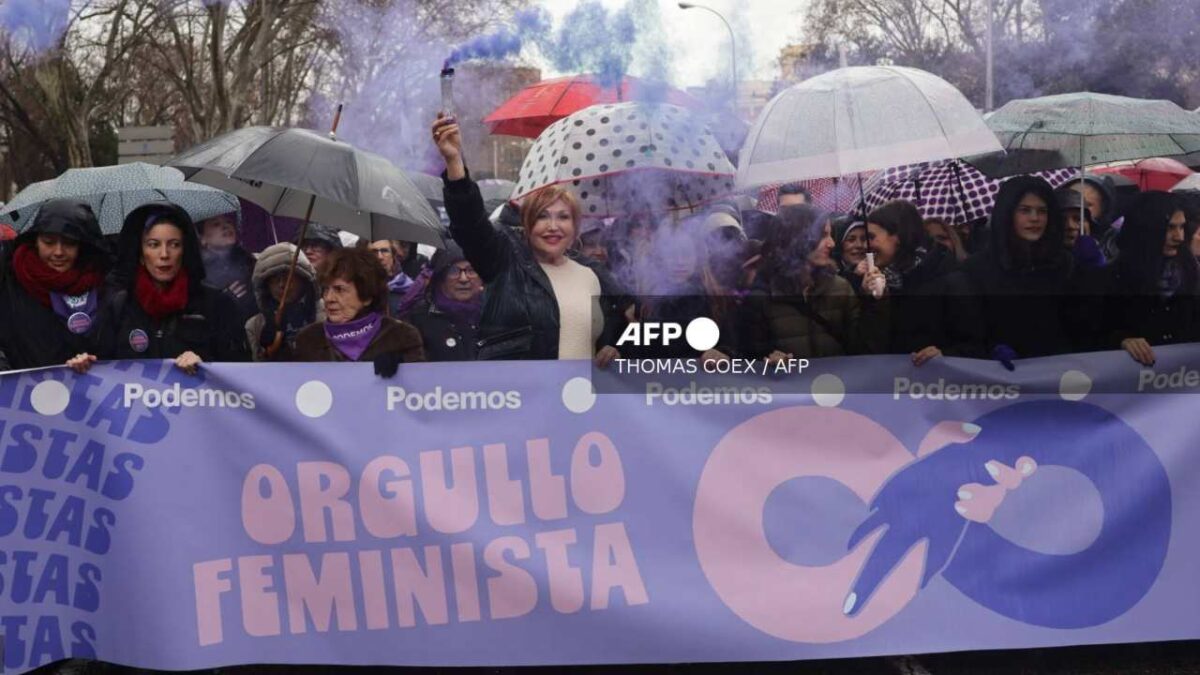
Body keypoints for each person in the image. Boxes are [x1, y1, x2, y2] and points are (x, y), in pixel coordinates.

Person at [432, 113, 627, 364]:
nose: (553, 227)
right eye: (543, 217)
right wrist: (455, 162)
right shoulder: (504, 260)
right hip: (522, 397)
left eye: (563, 217)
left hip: (581, 399)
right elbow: (470, 224)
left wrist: (612, 348)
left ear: (575, 225)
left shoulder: (593, 274)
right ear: (527, 223)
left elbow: (618, 332)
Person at [69, 202, 249, 374]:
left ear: (185, 251)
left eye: (174, 244)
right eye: (153, 245)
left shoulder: (216, 304)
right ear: (141, 254)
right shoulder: (119, 305)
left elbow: (241, 371)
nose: (164, 254)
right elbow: (101, 364)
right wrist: (85, 364)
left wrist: (206, 364)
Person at [961, 177, 1093, 363]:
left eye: (1042, 211)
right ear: (1007, 214)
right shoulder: (976, 269)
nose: (1035, 218)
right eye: (1025, 210)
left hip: (1058, 374)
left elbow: (1082, 324)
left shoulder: (1064, 264)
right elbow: (969, 331)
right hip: (1003, 378)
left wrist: (1093, 272)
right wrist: (990, 348)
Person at [740, 205, 884, 360]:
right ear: (797, 238)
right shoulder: (762, 294)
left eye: (830, 235)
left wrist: (873, 302)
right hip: (789, 383)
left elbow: (864, 349)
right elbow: (748, 354)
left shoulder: (840, 288)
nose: (831, 243)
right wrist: (767, 358)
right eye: (823, 235)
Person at [861, 201, 982, 364]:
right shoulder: (887, 282)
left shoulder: (951, 280)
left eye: (871, 237)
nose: (864, 246)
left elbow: (976, 346)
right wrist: (875, 302)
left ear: (897, 236)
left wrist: (945, 355)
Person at [0, 199, 111, 371]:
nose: (58, 252)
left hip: (85, 393)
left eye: (69, 243)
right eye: (49, 242)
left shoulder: (105, 285)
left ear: (83, 245)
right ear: (35, 241)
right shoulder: (9, 280)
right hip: (19, 393)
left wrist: (91, 360)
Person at [293, 246, 426, 371]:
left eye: (339, 289)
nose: (329, 298)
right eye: (326, 289)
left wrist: (403, 369)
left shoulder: (401, 337)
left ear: (367, 296)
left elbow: (419, 387)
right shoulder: (308, 339)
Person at [1104, 191, 1199, 365]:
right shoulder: (1112, 278)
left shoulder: (1190, 272)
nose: (1179, 237)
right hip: (1133, 382)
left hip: (1183, 380)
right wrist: (1122, 340)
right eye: (1170, 228)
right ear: (1147, 228)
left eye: (1182, 227)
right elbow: (1093, 330)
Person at [245, 243, 323, 362]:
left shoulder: (329, 314)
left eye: (288, 277)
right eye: (274, 279)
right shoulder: (256, 326)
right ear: (265, 286)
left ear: (304, 279)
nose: (282, 284)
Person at [407, 243, 484, 362]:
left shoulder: (495, 315)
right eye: (454, 271)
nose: (463, 279)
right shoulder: (419, 319)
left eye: (471, 270)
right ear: (440, 277)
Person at [197, 212, 257, 325]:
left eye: (229, 222)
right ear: (202, 238)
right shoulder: (197, 272)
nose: (226, 226)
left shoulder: (251, 262)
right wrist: (225, 302)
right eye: (216, 224)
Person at [1054, 188, 1106, 268]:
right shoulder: (1038, 260)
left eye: (1078, 219)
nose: (1070, 226)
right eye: (1062, 220)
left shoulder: (1108, 253)